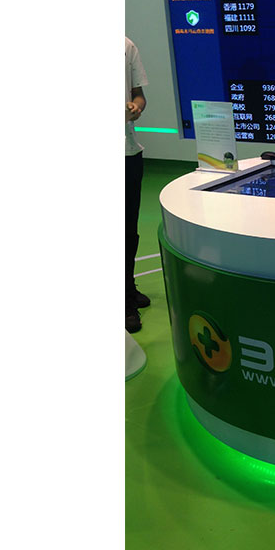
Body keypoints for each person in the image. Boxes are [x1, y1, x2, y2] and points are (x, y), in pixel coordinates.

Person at [126, 37, 149, 333]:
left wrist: (136, 107)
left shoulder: (126, 46)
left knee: (129, 228)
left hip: (128, 151)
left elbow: (139, 95)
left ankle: (127, 288)